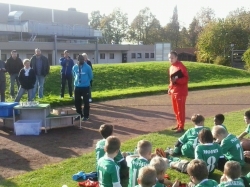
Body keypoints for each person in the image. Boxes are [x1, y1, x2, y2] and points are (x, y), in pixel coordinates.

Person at [168, 51, 189, 133]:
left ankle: (181, 126)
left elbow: (186, 79)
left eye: (172, 57)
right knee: (176, 110)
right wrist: (170, 88)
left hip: (180, 92)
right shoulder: (171, 67)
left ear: (176, 57)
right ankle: (178, 124)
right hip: (174, 91)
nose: (171, 59)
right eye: (169, 58)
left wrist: (177, 80)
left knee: (180, 110)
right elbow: (171, 80)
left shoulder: (181, 66)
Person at [72, 54, 93, 121]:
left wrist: (86, 82)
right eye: (80, 60)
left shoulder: (88, 67)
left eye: (82, 60)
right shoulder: (74, 67)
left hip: (85, 87)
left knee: (86, 102)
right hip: (77, 86)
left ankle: (86, 116)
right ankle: (79, 115)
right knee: (77, 102)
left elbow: (91, 76)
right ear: (77, 60)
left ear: (84, 60)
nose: (81, 61)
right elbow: (74, 74)